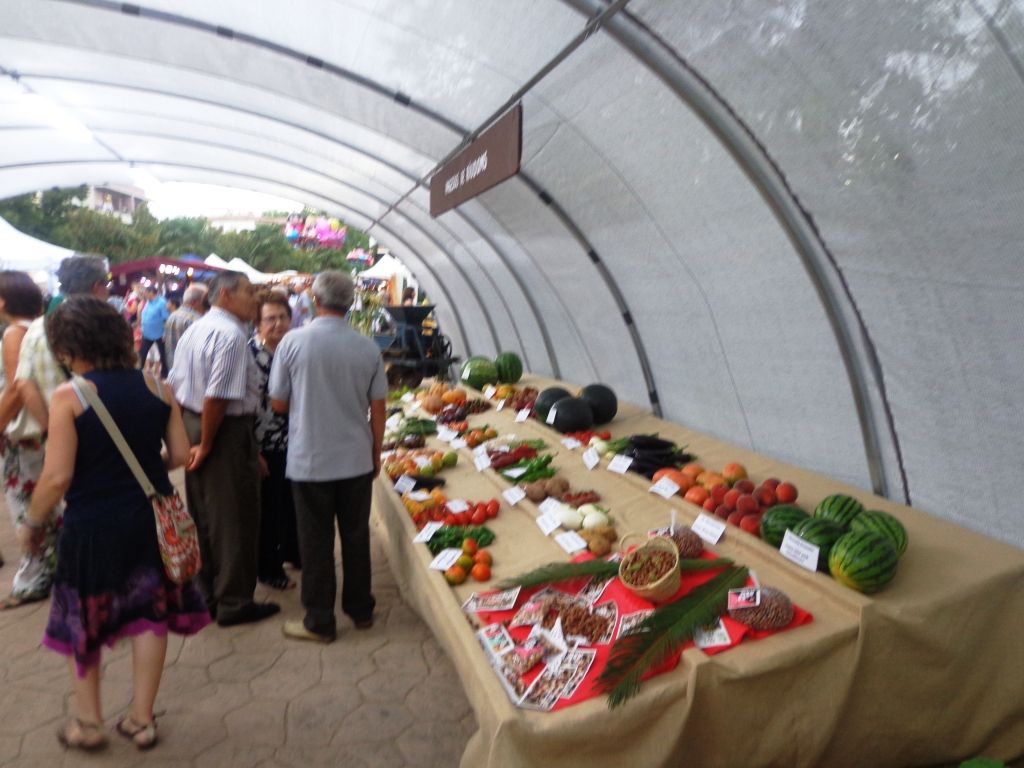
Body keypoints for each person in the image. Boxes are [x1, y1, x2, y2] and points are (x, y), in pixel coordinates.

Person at [16, 296, 209, 751]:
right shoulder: (159, 388)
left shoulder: (71, 396)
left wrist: (32, 521)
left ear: (66, 349)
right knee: (150, 616)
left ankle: (88, 723)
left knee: (84, 620)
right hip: (150, 520)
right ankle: (142, 720)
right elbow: (180, 456)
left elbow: (58, 476)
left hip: (92, 526)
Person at [269, 270, 387, 643]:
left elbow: (278, 402)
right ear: (350, 302)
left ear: (315, 301)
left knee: (315, 541)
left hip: (310, 460)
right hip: (355, 459)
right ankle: (360, 609)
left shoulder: (292, 343)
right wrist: (376, 451)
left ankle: (320, 620)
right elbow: (378, 407)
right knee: (355, 535)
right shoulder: (367, 347)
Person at [168, 271, 279, 627]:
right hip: (220, 429)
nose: (256, 298)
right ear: (227, 295)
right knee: (235, 517)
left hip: (197, 423)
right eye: (248, 292)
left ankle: (208, 594)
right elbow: (217, 396)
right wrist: (207, 442)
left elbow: (172, 386)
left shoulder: (197, 328)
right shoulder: (230, 335)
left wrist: (191, 437)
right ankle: (234, 601)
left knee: (206, 513)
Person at [1, 254, 109, 610]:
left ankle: (51, 580)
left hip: (44, 438)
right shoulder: (104, 324)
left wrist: (52, 429)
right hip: (100, 436)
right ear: (96, 286)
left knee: (45, 507)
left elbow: (23, 386)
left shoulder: (34, 330)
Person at [249, 293, 300, 590]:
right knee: (268, 509)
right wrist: (253, 452)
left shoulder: (294, 351)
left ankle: (293, 553)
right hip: (264, 444)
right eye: (270, 319)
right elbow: (243, 410)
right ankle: (268, 568)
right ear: (257, 324)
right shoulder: (251, 357)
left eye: (282, 317)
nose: (278, 324)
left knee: (291, 503)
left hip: (295, 441)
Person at [0, 272, 45, 579]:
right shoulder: (41, 329)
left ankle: (35, 575)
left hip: (21, 431)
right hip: (37, 428)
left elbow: (18, 386)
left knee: (24, 501)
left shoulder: (14, 333)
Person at [162, 283, 207, 372]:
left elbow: (166, 343)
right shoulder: (197, 320)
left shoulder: (172, 316)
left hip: (174, 369)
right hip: (192, 372)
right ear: (195, 302)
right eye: (205, 300)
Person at [138, 285, 170, 377]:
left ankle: (165, 374)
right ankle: (138, 373)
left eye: (146, 293)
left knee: (163, 355)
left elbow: (166, 319)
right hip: (147, 334)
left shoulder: (162, 303)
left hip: (160, 334)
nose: (145, 294)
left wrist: (165, 333)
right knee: (142, 354)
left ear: (152, 293)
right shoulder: (148, 302)